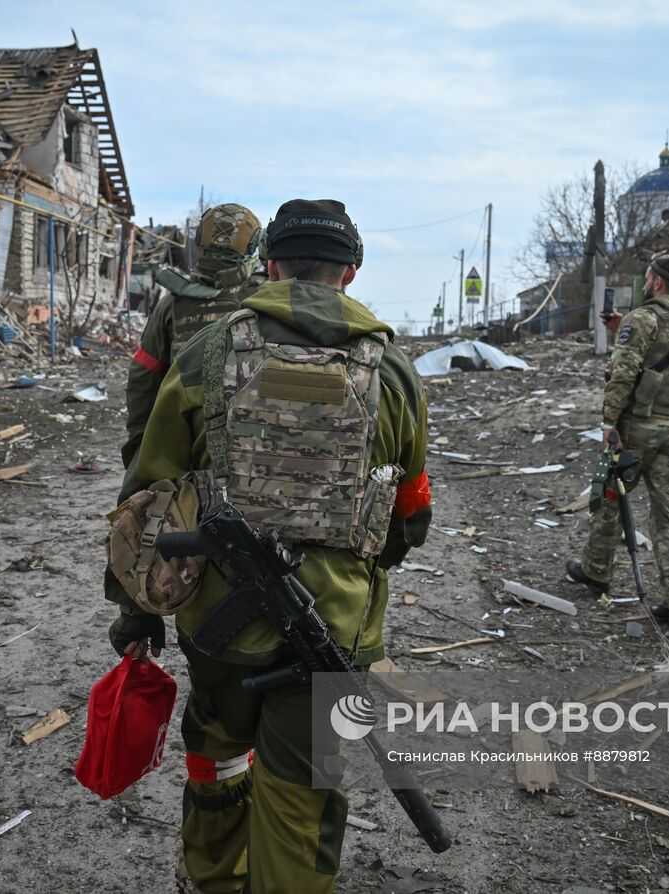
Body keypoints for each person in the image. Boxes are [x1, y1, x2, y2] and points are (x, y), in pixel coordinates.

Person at [106, 199, 432, 894]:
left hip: (218, 619)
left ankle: (213, 876)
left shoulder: (207, 351)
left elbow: (146, 497)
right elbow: (409, 513)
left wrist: (136, 610)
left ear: (273, 266)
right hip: (336, 626)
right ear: (352, 270)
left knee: (218, 755)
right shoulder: (393, 370)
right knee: (305, 788)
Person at [566, 252, 669, 628]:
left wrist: (609, 423)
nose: (645, 282)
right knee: (668, 517)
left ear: (656, 282)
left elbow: (623, 374)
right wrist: (623, 327)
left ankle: (596, 572)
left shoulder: (643, 318)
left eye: (647, 277)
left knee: (608, 498)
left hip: (636, 433)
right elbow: (661, 358)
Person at [121, 202, 263, 467]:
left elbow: (144, 374)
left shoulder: (172, 303)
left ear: (200, 239)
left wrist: (141, 443)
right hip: (251, 444)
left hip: (182, 440)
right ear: (253, 245)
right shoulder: (264, 301)